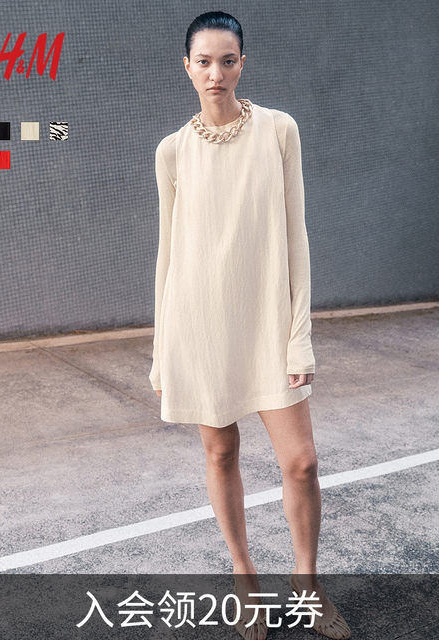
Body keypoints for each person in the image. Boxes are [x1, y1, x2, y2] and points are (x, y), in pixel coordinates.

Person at [149, 10, 351, 640]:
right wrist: (161, 350)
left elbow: (297, 237)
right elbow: (167, 255)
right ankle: (244, 577)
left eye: (227, 60)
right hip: (199, 325)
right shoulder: (172, 151)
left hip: (268, 322)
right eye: (203, 61)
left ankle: (306, 583)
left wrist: (299, 336)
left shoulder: (278, 130)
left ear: (243, 64)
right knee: (221, 450)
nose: (215, 73)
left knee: (302, 463)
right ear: (186, 67)